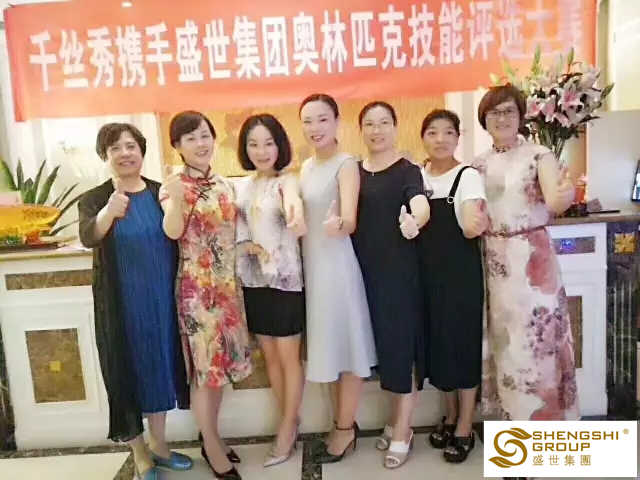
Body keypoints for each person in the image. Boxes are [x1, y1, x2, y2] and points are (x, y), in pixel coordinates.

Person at [78, 123, 193, 480]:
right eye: (115, 148)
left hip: (161, 301)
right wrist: (108, 213)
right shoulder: (95, 198)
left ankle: (160, 444)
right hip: (121, 305)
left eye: (131, 146)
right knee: (126, 373)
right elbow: (88, 236)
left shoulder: (160, 191)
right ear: (105, 155)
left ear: (142, 151)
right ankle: (140, 452)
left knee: (160, 367)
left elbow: (175, 233)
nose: (125, 153)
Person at [473, 85, 579, 424]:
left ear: (521, 116)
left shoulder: (539, 155)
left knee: (539, 346)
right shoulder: (478, 164)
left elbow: (555, 199)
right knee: (506, 349)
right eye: (494, 113)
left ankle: (546, 432)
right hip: (495, 263)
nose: (502, 118)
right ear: (484, 120)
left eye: (509, 111)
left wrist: (565, 194)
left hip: (533, 262)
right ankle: (513, 432)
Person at [160, 111, 253, 480]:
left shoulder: (225, 183)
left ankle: (211, 435)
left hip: (227, 288)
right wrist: (176, 199)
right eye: (191, 138)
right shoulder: (174, 185)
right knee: (204, 371)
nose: (200, 144)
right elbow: (172, 231)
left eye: (204, 135)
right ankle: (212, 446)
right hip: (197, 293)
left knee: (220, 368)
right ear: (178, 146)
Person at [298, 93, 377, 463]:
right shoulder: (305, 167)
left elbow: (350, 219)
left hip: (337, 269)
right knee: (329, 351)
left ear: (336, 122)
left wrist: (338, 225)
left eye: (322, 119)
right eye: (308, 121)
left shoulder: (346, 164)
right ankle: (339, 424)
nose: (315, 128)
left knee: (347, 350)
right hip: (312, 269)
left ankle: (345, 430)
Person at [351, 101, 430, 469]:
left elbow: (420, 202)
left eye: (384, 122)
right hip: (363, 275)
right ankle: (394, 419)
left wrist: (416, 219)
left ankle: (403, 429)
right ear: (360, 130)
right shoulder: (355, 171)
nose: (377, 130)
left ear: (396, 127)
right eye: (369, 124)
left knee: (401, 351)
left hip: (398, 275)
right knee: (383, 353)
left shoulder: (407, 170)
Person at [235, 113, 306, 467]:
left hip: (285, 281)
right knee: (271, 358)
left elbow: (293, 205)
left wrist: (296, 214)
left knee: (289, 357)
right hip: (253, 282)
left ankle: (287, 428)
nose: (261, 151)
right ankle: (288, 420)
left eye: (268, 143)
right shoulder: (242, 187)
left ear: (280, 146)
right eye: (253, 144)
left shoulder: (288, 181)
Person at [417, 109, 487, 464]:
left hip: (460, 277)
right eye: (432, 132)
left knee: (462, 346)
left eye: (448, 132)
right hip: (425, 276)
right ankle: (448, 414)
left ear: (458, 138)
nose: (440, 139)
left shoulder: (467, 176)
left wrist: (476, 222)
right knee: (438, 347)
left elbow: (472, 221)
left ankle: (464, 425)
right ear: (423, 138)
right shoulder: (417, 176)